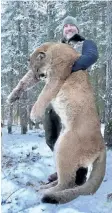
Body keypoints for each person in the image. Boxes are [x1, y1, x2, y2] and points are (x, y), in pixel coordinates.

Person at [43, 15, 99, 183]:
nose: (68, 28)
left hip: (76, 97)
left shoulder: (86, 43)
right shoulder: (57, 47)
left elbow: (91, 57)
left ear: (77, 28)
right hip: (56, 97)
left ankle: (79, 176)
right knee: (51, 135)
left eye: (71, 26)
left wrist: (67, 68)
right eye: (65, 26)